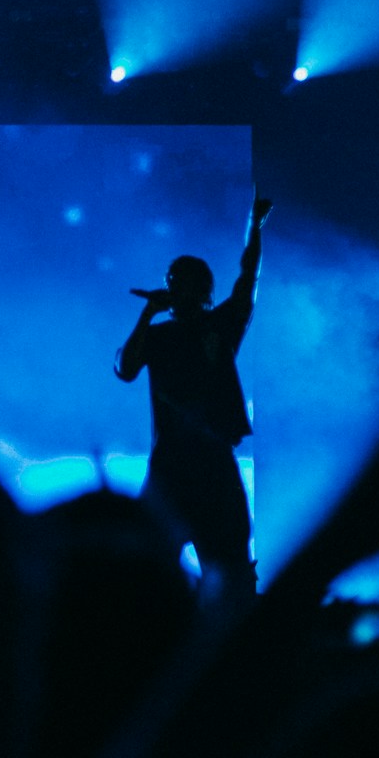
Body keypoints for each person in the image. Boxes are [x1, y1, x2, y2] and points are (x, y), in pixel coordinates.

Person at [116, 193, 272, 601]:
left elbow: (247, 278)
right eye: (172, 280)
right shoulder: (159, 334)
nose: (175, 287)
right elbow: (125, 369)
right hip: (170, 462)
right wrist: (148, 314)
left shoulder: (219, 326)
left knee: (231, 566)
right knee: (145, 561)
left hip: (212, 459)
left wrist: (254, 227)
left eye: (182, 281)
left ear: (201, 288)